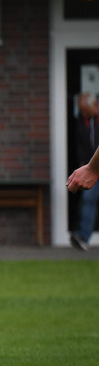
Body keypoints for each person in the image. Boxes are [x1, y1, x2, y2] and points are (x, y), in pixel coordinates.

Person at [70, 91, 98, 251]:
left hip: (94, 166)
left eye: (85, 111)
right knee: (88, 199)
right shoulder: (83, 120)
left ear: (94, 105)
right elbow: (80, 144)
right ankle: (83, 237)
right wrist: (84, 166)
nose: (83, 114)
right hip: (92, 169)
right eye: (81, 112)